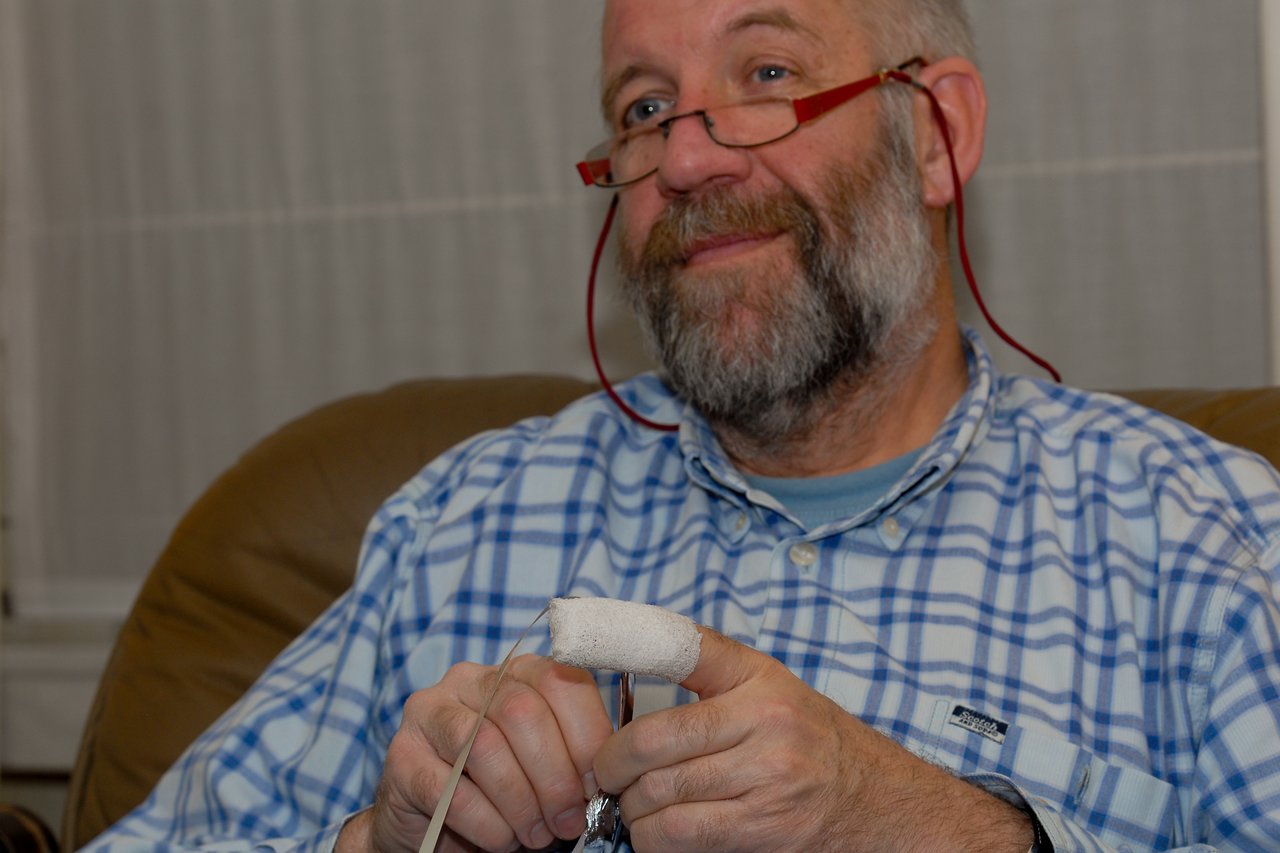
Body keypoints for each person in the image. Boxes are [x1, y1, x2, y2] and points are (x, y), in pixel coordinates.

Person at [86, 1, 1280, 851]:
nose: (687, 155)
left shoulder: (1207, 539)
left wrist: (938, 830)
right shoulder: (459, 521)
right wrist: (383, 843)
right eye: (643, 105)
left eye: (764, 74)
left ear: (936, 133)